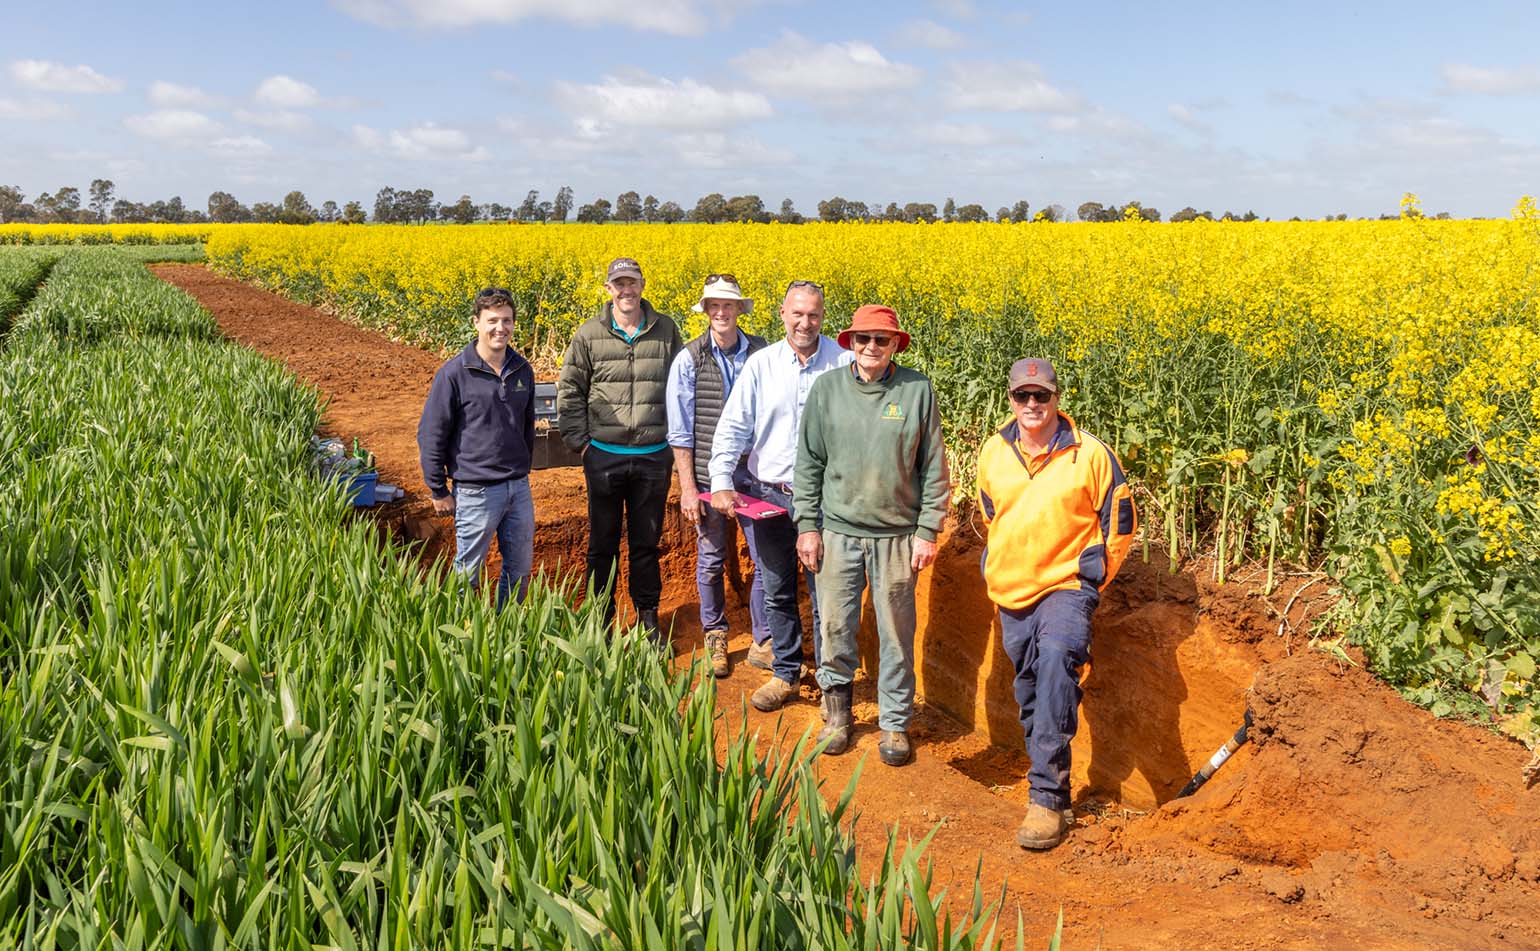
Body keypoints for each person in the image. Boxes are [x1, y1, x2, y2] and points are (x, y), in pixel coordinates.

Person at [975, 357, 1136, 850]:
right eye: (1022, 396)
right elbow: (989, 510)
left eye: (1040, 396)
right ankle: (1052, 777)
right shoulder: (993, 451)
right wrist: (999, 560)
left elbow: (1120, 522)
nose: (1031, 405)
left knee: (1056, 667)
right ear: (1011, 400)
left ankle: (1046, 797)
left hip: (1067, 585)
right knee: (1029, 688)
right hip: (1012, 588)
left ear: (1057, 398)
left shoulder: (1090, 454)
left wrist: (1092, 578)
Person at [795, 304, 949, 767]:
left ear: (895, 345)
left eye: (881, 340)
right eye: (863, 339)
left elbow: (934, 467)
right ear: (850, 344)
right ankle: (837, 715)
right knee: (836, 625)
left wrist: (927, 529)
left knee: (896, 633)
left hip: (898, 536)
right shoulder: (827, 391)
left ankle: (896, 723)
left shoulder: (917, 389)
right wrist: (807, 525)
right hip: (838, 532)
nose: (871, 348)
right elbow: (809, 464)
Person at [709, 280, 852, 711]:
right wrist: (721, 480)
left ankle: (830, 683)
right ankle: (787, 672)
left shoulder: (843, 364)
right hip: (770, 495)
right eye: (797, 313)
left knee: (826, 594)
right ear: (782, 314)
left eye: (813, 314)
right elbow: (734, 425)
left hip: (826, 500)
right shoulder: (762, 365)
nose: (804, 322)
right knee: (777, 590)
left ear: (823, 317)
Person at [557, 257, 684, 640]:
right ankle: (601, 620)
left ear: (643, 285)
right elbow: (570, 390)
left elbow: (681, 387)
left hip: (652, 456)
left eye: (632, 283)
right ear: (609, 289)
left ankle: (648, 618)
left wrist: (675, 444)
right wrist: (581, 444)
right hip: (604, 456)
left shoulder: (666, 330)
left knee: (647, 544)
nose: (626, 291)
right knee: (602, 544)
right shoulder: (589, 333)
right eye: (619, 284)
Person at [665, 273, 771, 677]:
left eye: (729, 305)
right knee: (710, 558)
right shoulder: (689, 359)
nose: (722, 312)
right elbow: (680, 431)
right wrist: (688, 488)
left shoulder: (764, 353)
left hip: (756, 473)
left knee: (764, 558)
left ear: (739, 310)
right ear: (706, 311)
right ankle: (715, 634)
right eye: (715, 305)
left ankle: (764, 638)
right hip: (711, 475)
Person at [417, 286, 536, 609]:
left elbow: (527, 426)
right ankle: (463, 638)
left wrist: (521, 467)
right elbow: (431, 433)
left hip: (518, 489)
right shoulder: (454, 373)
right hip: (475, 491)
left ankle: (509, 631)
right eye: (493, 320)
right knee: (467, 573)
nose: (501, 328)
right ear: (476, 323)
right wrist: (437, 489)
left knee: (520, 570)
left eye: (507, 321)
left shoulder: (522, 370)